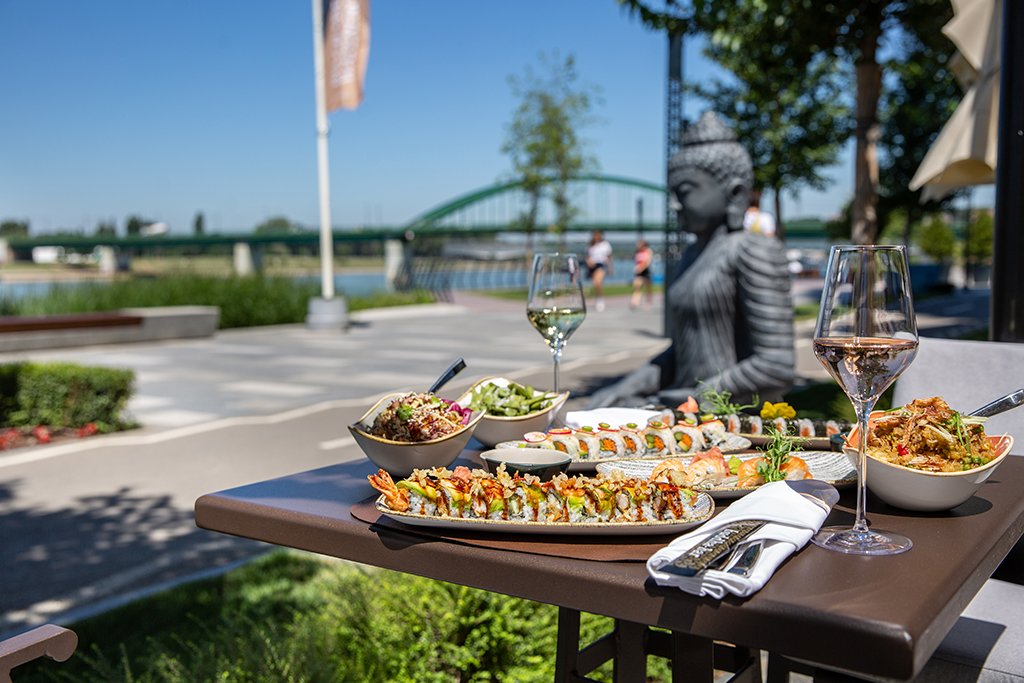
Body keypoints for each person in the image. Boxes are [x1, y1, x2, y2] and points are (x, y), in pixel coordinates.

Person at [588, 112, 794, 408]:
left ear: (735, 194)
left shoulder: (753, 250)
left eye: (684, 192)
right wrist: (624, 387)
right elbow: (686, 350)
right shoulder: (692, 255)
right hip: (684, 410)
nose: (673, 204)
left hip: (732, 416)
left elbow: (776, 365)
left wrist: (697, 398)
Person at [585, 230, 613, 311]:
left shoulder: (605, 244)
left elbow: (609, 256)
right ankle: (598, 299)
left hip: (601, 265)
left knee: (598, 283)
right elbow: (587, 256)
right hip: (592, 266)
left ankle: (600, 300)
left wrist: (610, 267)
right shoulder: (590, 245)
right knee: (595, 284)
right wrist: (588, 262)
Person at [630, 239, 654, 310]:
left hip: (646, 271)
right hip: (639, 272)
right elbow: (637, 261)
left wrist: (641, 268)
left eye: (639, 244)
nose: (637, 245)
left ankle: (648, 301)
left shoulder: (648, 251)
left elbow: (647, 262)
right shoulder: (637, 252)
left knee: (648, 287)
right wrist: (637, 268)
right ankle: (635, 302)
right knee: (637, 286)